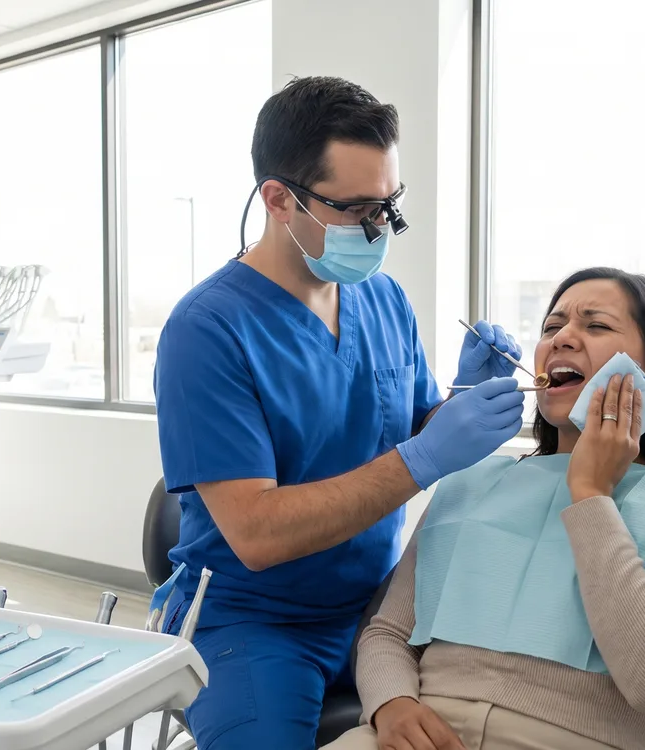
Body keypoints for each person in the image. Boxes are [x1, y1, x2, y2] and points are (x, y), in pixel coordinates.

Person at [150, 76, 529, 749]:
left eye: (389, 205)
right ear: (278, 199)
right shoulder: (207, 330)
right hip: (251, 622)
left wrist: (459, 401)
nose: (378, 228)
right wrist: (426, 456)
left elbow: (408, 425)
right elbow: (257, 535)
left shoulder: (384, 300)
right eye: (355, 209)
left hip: (376, 610)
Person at [324, 268, 645, 750]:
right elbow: (387, 632)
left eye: (595, 326)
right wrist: (391, 705)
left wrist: (591, 492)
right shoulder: (472, 480)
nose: (562, 338)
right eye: (552, 327)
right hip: (421, 732)